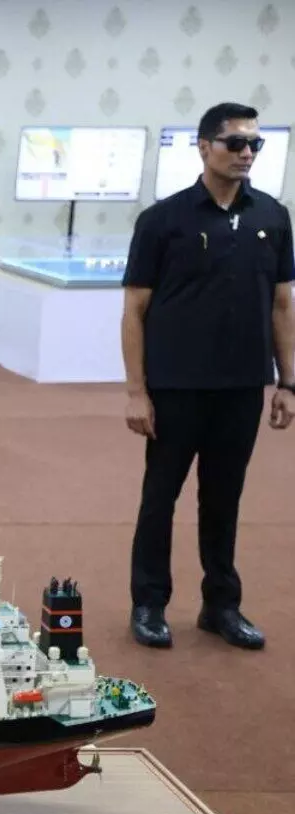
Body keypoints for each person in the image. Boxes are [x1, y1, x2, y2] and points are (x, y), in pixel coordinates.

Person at [121, 102, 294, 651]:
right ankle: (149, 603)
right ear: (203, 147)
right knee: (160, 498)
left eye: (254, 144)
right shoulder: (163, 221)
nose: (246, 153)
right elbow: (135, 311)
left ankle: (221, 605)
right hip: (176, 387)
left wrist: (288, 382)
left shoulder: (273, 217)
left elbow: (282, 305)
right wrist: (136, 391)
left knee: (224, 499)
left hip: (241, 387)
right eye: (235, 143)